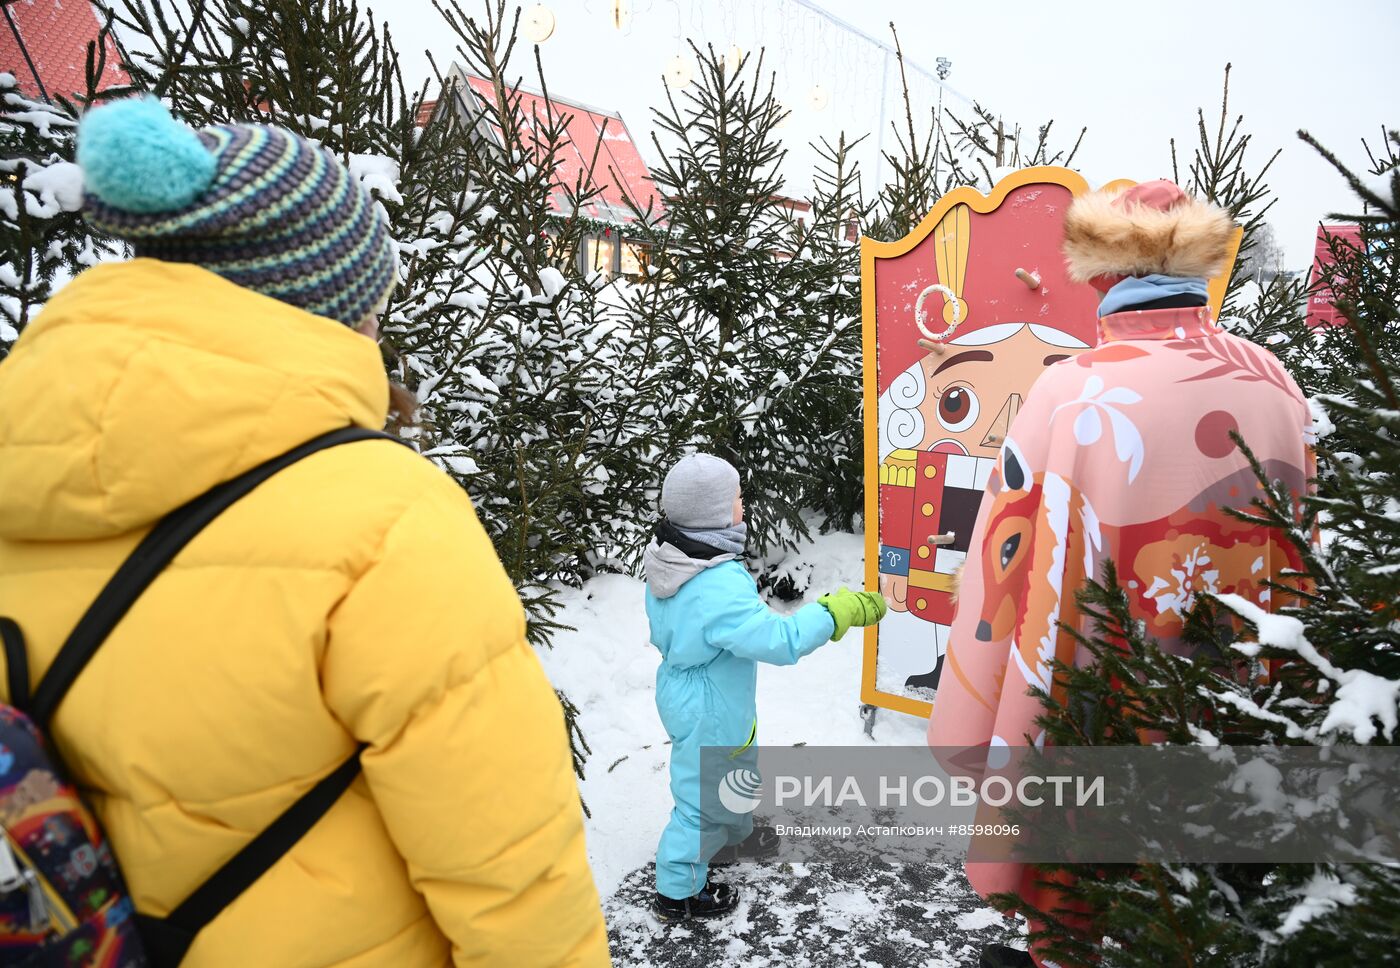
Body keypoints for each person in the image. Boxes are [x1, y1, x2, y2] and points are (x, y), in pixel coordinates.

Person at [0, 98, 610, 966]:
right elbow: (509, 865)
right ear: (321, 302)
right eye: (371, 303)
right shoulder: (385, 518)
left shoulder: (21, 468)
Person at [926, 180, 1313, 968]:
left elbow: (1007, 561)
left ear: (1103, 275)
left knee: (1073, 838)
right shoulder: (1275, 379)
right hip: (1234, 690)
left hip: (1097, 690)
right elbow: (1307, 545)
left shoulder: (1073, 390)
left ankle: (1061, 952)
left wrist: (972, 707)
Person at [643, 453, 887, 920]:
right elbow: (779, 640)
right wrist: (836, 611)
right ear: (712, 514)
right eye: (737, 498)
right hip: (709, 704)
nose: (743, 505)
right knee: (701, 798)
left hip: (700, 692)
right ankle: (678, 889)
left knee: (736, 763)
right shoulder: (713, 583)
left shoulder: (676, 561)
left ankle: (731, 834)